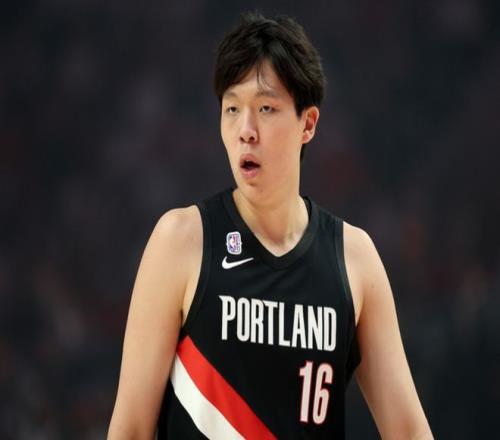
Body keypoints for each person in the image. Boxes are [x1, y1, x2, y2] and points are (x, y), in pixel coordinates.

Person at [108, 11, 433, 439]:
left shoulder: (354, 259)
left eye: (265, 108)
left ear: (308, 123)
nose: (246, 130)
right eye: (232, 108)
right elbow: (131, 428)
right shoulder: (181, 241)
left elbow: (409, 431)